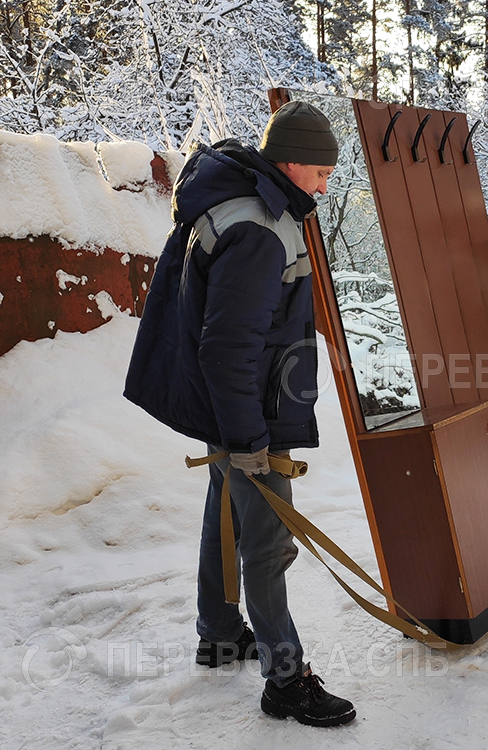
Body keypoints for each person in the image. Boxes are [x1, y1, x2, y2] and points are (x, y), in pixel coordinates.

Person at [124, 101, 356, 726]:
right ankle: (287, 679)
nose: (326, 184)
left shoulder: (244, 206)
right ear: (289, 163)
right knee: (267, 543)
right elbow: (229, 346)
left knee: (223, 516)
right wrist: (250, 439)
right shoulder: (258, 228)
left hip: (234, 408)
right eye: (320, 172)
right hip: (252, 411)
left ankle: (221, 632)